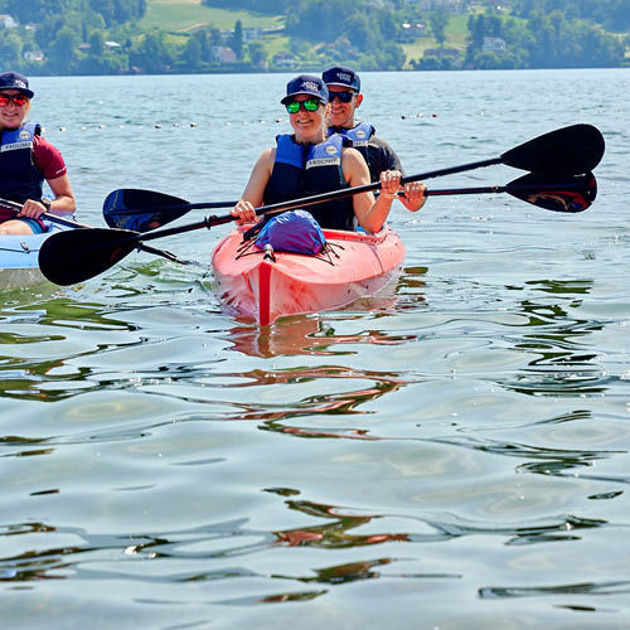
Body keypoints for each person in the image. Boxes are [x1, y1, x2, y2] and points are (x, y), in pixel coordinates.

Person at [231, 74, 425, 235]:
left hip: (336, 249)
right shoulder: (268, 159)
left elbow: (370, 225)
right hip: (277, 248)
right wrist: (244, 211)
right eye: (293, 106)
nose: (302, 113)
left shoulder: (350, 160)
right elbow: (246, 213)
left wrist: (386, 195)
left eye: (311, 105)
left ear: (327, 109)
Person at [322, 65, 424, 212]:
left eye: (345, 96)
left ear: (358, 100)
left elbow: (412, 205)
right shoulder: (305, 143)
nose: (336, 103)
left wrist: (418, 192)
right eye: (330, 96)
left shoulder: (378, 148)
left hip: (363, 229)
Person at [0, 71, 75, 235]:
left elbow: (69, 202)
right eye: (3, 99)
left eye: (19, 100)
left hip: (23, 222)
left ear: (26, 105)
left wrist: (45, 205)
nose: (12, 107)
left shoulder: (42, 149)